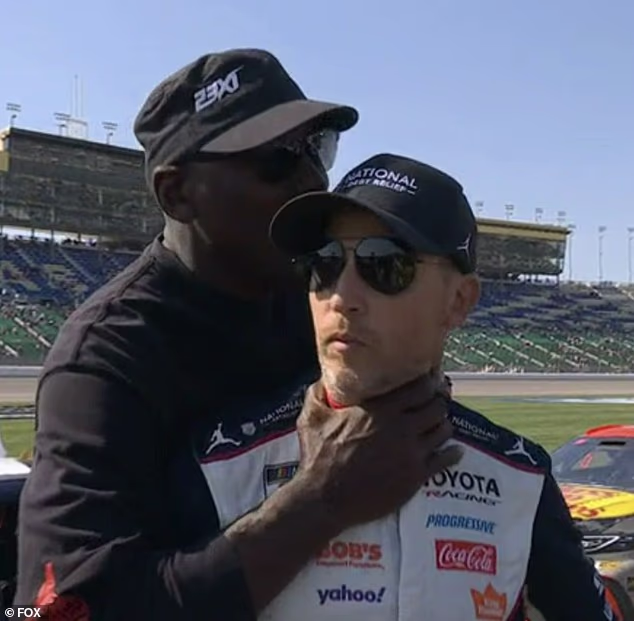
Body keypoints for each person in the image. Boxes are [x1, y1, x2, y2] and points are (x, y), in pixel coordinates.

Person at [15, 51, 459, 620]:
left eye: (316, 148)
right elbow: (62, 610)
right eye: (277, 159)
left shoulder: (320, 298)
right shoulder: (105, 360)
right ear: (177, 193)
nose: (311, 179)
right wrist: (323, 498)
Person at [257, 153, 613, 620]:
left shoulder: (520, 476)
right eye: (324, 262)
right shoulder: (222, 460)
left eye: (383, 264)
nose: (341, 296)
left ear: (459, 301)